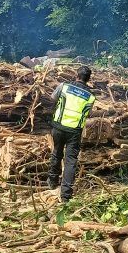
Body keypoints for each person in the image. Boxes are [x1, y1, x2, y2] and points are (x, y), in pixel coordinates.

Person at [48, 66, 96, 202]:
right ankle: (65, 196)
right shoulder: (91, 96)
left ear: (77, 75)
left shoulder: (64, 86)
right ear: (89, 79)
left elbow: (52, 98)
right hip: (74, 131)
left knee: (56, 152)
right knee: (70, 162)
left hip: (58, 126)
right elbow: (89, 113)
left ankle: (52, 182)